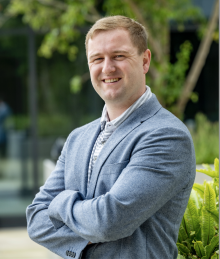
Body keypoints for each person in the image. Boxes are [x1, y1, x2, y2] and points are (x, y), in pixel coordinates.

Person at [26, 16, 196, 259]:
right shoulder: (77, 138)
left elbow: (109, 221)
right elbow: (36, 219)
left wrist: (61, 204)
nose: (107, 68)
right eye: (97, 59)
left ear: (145, 60)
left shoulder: (166, 135)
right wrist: (90, 225)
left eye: (119, 56)